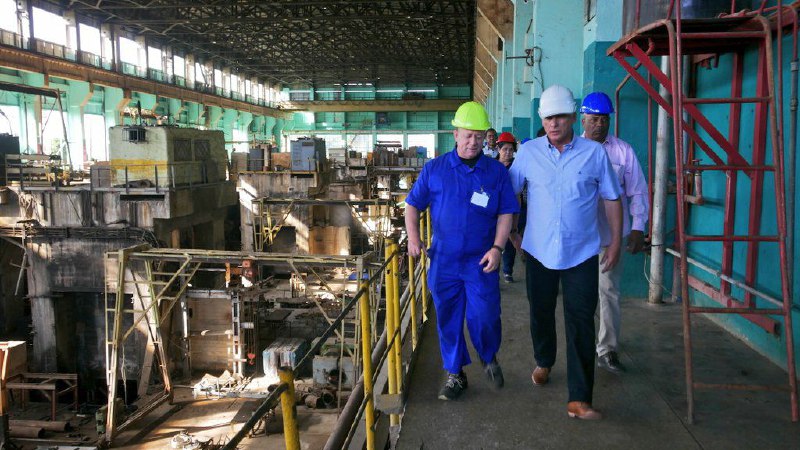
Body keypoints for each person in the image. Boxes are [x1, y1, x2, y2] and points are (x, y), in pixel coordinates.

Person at [509, 85, 622, 420]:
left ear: (574, 117)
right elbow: (511, 193)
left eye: (560, 116)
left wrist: (615, 241)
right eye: (547, 118)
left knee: (580, 321)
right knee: (540, 313)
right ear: (541, 120)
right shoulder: (528, 152)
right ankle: (544, 360)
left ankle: (579, 397)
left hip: (582, 252)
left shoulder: (594, 154)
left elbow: (612, 198)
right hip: (539, 252)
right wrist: (513, 232)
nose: (553, 123)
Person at [405, 102, 519, 401]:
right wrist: (414, 238)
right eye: (467, 135)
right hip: (444, 261)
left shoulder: (495, 172)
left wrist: (497, 248)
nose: (473, 142)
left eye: (479, 137)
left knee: (485, 316)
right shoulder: (435, 169)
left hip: (481, 261)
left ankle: (487, 354)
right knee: (448, 318)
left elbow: (507, 212)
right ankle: (455, 373)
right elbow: (412, 204)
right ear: (455, 134)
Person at [580, 92, 650, 374]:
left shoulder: (623, 152)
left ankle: (607, 349)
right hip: (580, 238)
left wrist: (637, 227)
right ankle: (581, 344)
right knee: (580, 293)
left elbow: (638, 191)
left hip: (611, 238)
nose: (599, 124)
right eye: (594, 119)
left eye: (604, 119)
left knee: (608, 291)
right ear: (583, 120)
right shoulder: (570, 150)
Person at [495, 132, 525, 283]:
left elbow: (519, 194)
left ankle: (508, 271)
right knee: (494, 241)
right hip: (494, 209)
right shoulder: (491, 166)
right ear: (498, 149)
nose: (507, 152)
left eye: (510, 149)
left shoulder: (517, 167)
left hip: (512, 208)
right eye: (504, 149)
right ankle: (493, 272)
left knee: (510, 240)